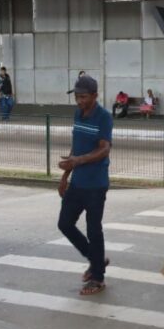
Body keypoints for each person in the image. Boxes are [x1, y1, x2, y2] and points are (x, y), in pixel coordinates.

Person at [58, 75, 113, 295]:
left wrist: (78, 161)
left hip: (96, 184)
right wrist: (65, 176)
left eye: (83, 97)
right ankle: (96, 259)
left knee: (93, 229)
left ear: (95, 96)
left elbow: (104, 149)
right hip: (77, 182)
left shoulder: (104, 117)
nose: (79, 101)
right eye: (77, 97)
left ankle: (97, 277)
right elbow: (76, 147)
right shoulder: (78, 114)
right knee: (65, 223)